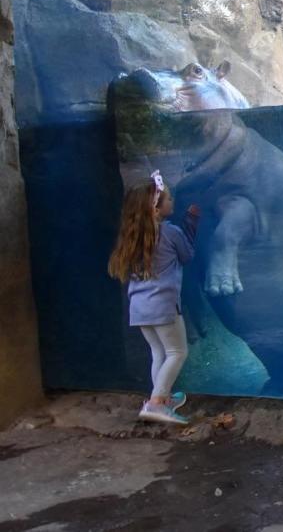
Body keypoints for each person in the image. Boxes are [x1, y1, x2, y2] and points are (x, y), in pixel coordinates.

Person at [107, 169, 200, 425]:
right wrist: (191, 224)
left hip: (139, 308)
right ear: (156, 209)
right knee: (177, 352)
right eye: (168, 199)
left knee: (158, 352)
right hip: (164, 306)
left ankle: (161, 396)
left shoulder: (132, 236)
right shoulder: (171, 233)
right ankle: (157, 403)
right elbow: (187, 256)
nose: (172, 202)